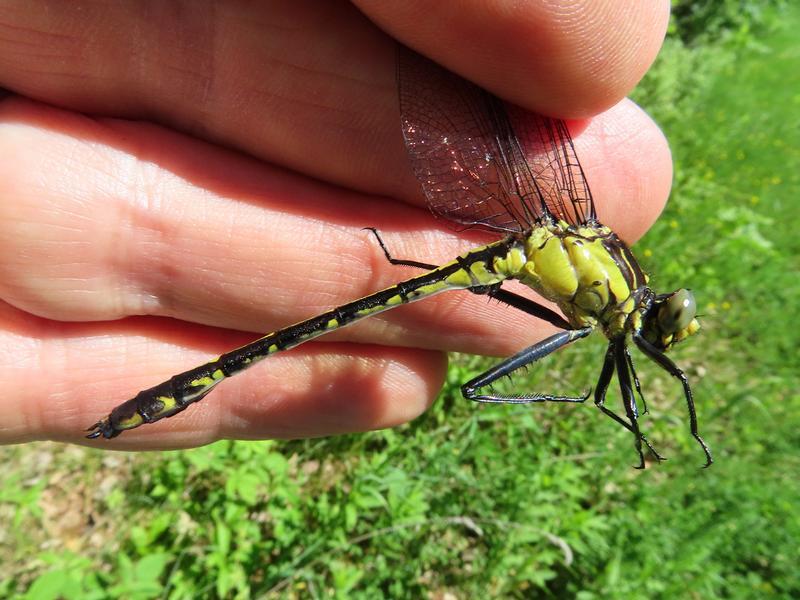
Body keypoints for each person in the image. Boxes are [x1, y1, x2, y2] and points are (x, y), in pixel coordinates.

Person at [0, 1, 674, 448]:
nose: (655, 337)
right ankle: (180, 392)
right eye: (657, 324)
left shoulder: (605, 294)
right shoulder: (602, 286)